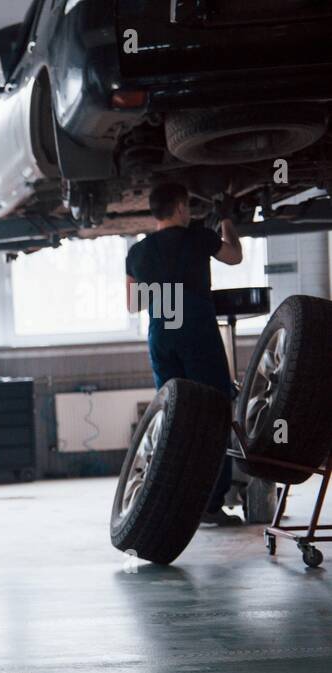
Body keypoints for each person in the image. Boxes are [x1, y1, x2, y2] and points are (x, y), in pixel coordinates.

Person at [125, 181, 244, 526]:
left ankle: (175, 497)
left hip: (161, 332)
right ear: (179, 207)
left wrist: (164, 287)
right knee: (214, 412)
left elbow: (134, 306)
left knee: (175, 415)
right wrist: (226, 221)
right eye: (187, 206)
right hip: (195, 329)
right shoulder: (197, 237)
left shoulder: (137, 252)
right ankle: (209, 505)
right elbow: (234, 256)